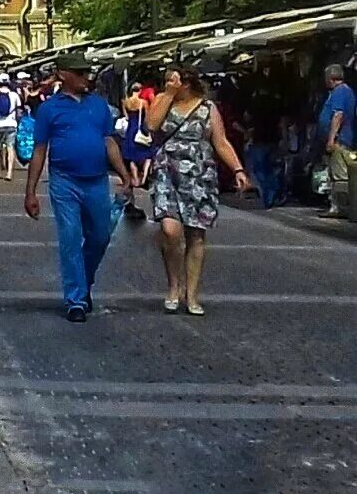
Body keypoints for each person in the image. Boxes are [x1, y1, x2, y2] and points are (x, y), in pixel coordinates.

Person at [23, 54, 128, 322]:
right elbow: (39, 150)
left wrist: (124, 174)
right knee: (70, 237)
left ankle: (84, 281)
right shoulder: (49, 109)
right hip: (64, 181)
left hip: (96, 181)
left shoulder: (99, 106)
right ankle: (76, 300)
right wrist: (31, 191)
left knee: (101, 236)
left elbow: (109, 142)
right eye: (80, 73)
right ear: (63, 75)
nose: (87, 78)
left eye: (87, 72)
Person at [146, 63, 248, 315]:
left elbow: (220, 142)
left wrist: (238, 169)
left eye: (173, 80)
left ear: (187, 82)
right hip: (167, 172)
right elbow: (151, 126)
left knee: (195, 235)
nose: (168, 83)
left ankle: (191, 295)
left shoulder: (207, 107)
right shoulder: (162, 100)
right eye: (167, 79)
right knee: (170, 230)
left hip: (199, 175)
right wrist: (168, 95)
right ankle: (173, 285)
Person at [115, 87, 158, 224]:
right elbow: (148, 118)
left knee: (131, 157)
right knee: (147, 154)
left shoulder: (126, 101)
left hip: (130, 129)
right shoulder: (143, 102)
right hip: (140, 130)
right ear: (140, 90)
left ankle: (134, 177)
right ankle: (144, 177)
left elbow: (126, 116)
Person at [320, 64, 356, 218]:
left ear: (330, 78)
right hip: (342, 139)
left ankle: (340, 207)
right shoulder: (344, 91)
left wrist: (331, 138)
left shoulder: (340, 92)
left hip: (340, 140)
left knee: (339, 175)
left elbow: (338, 115)